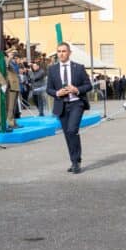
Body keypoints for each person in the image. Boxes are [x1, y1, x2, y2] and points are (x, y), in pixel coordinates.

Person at [46, 42, 92, 174]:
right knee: (67, 134)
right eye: (59, 51)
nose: (61, 54)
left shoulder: (78, 68)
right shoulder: (52, 69)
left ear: (69, 53)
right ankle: (73, 161)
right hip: (61, 105)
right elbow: (49, 88)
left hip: (76, 103)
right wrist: (56, 93)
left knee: (72, 130)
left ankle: (76, 161)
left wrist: (76, 89)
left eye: (64, 51)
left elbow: (88, 85)